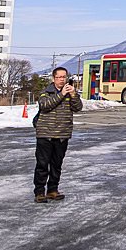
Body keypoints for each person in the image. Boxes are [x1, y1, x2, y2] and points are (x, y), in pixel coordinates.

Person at [34, 67, 83, 203]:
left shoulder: (70, 92)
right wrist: (61, 94)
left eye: (64, 77)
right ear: (53, 78)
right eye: (59, 77)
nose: (62, 80)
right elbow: (45, 106)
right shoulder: (46, 92)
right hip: (45, 134)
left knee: (57, 164)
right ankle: (39, 192)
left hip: (62, 134)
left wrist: (73, 95)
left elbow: (78, 108)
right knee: (42, 164)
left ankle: (52, 190)